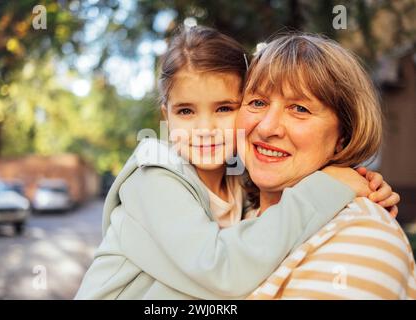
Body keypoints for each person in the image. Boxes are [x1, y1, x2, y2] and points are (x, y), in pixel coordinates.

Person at [75, 27, 399, 300]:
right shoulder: (154, 177)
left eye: (224, 108)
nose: (204, 129)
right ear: (166, 117)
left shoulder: (239, 186)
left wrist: (353, 182)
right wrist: (327, 188)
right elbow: (220, 270)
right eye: (186, 111)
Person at [234, 33, 415, 299]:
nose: (267, 127)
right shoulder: (232, 217)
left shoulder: (362, 235)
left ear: (343, 136)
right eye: (258, 102)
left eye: (299, 108)